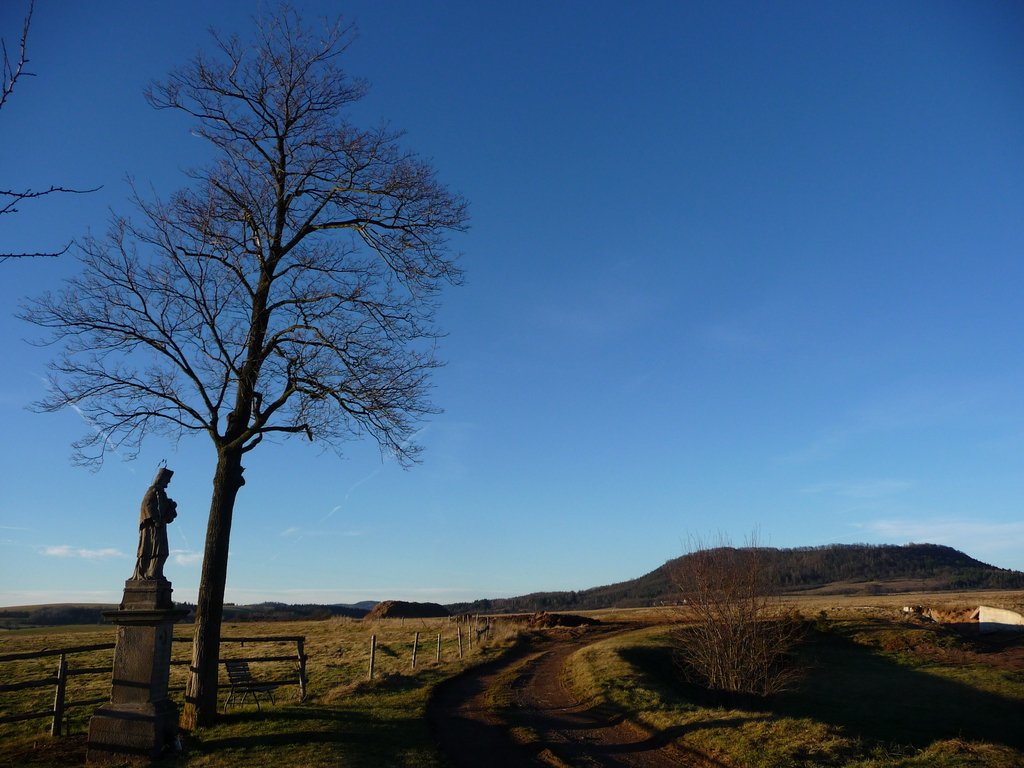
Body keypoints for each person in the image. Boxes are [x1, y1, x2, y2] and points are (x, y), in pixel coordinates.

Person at [131, 468, 177, 580]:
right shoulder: (153, 492)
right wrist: (156, 519)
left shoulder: (161, 494)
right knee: (153, 550)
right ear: (160, 479)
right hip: (152, 528)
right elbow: (147, 506)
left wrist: (171, 507)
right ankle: (149, 573)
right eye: (167, 479)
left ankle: (155, 573)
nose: (169, 482)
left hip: (159, 527)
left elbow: (169, 517)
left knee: (162, 552)